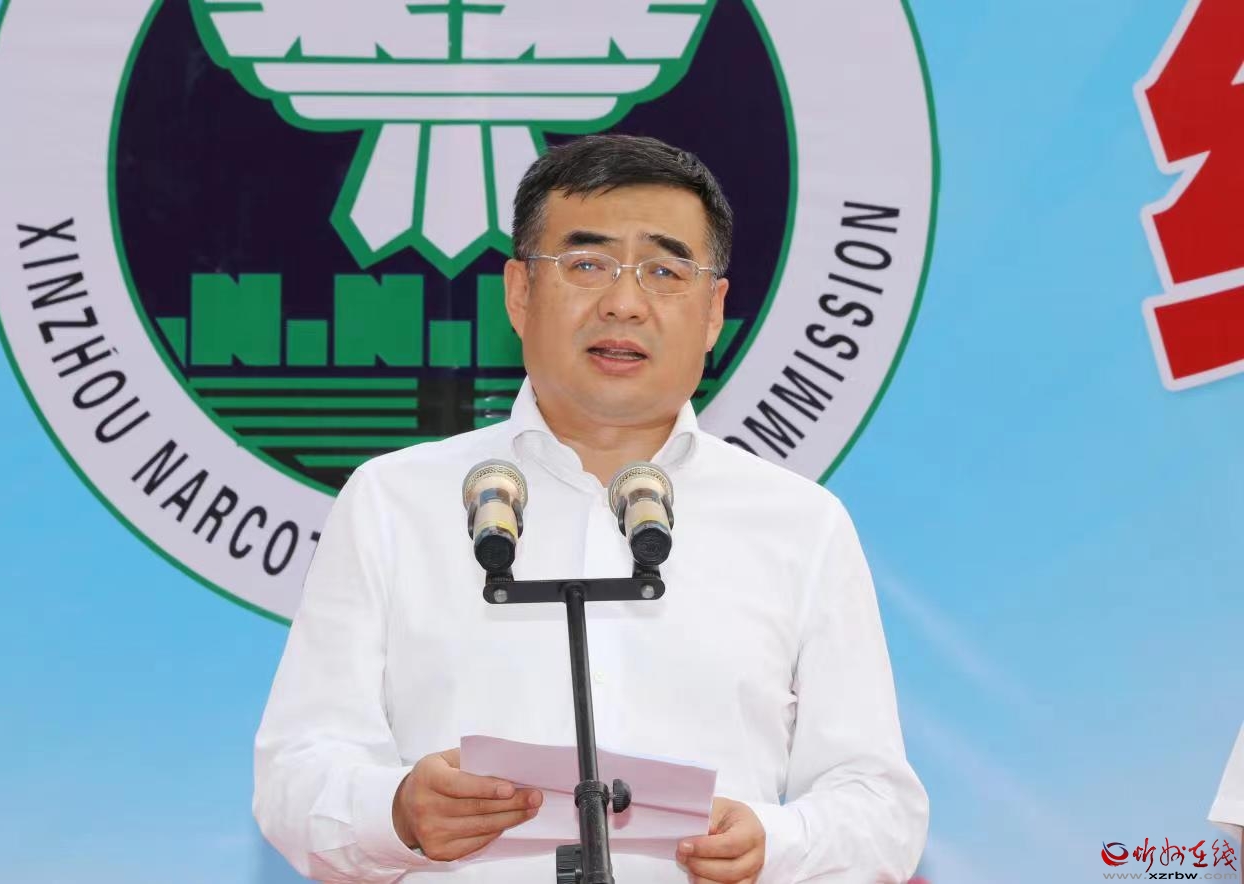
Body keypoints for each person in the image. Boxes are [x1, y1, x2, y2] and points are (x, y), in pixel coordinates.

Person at [253, 134, 928, 883]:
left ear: (713, 311)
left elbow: (880, 809)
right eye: (586, 265)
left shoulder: (799, 523)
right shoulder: (395, 501)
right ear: (519, 292)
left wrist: (775, 842)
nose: (623, 303)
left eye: (665, 272)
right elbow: (295, 776)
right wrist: (399, 810)